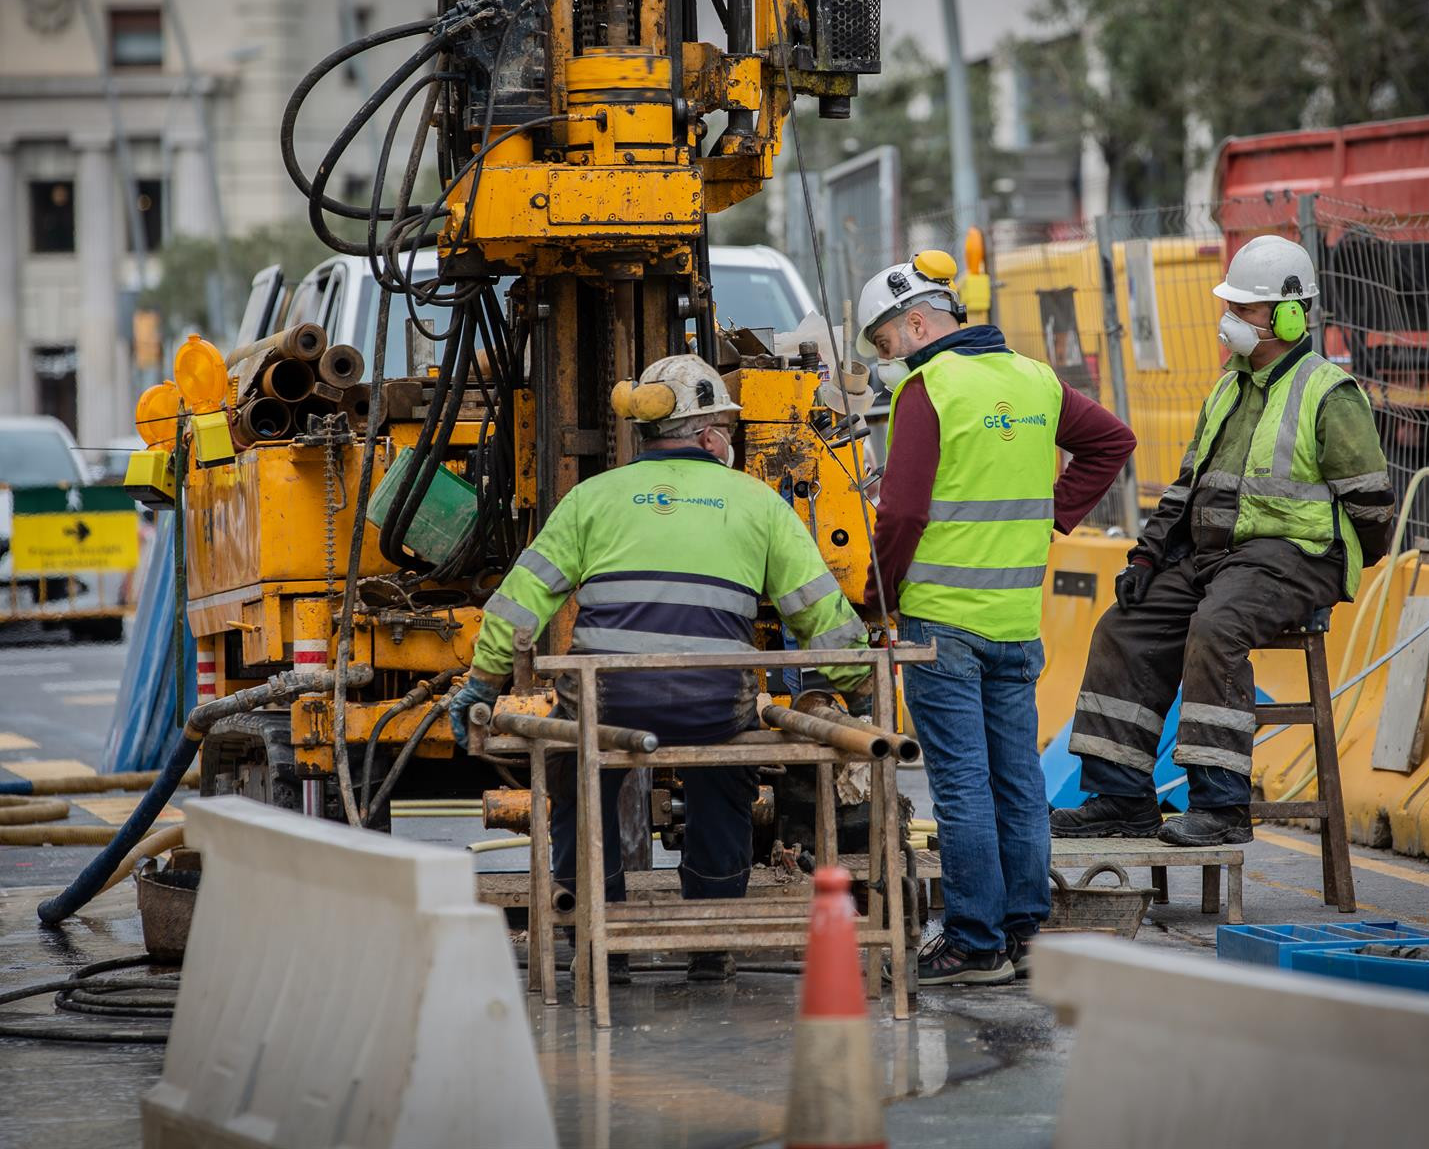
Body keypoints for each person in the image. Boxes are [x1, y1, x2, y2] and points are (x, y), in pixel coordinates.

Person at [448, 353, 874, 983]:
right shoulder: (757, 503)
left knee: (574, 774)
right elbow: (819, 616)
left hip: (606, 702)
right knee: (727, 778)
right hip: (714, 703)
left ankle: (599, 939)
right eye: (723, 429)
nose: (726, 439)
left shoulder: (590, 499)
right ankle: (712, 939)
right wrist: (860, 688)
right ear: (707, 435)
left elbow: (520, 602)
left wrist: (481, 681)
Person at [1053, 234, 1394, 848]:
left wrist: (1336, 564)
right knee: (1123, 628)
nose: (1230, 319)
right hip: (1219, 559)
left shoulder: (1328, 393)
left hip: (1297, 558)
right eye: (1230, 305)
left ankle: (1221, 805)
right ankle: (1122, 798)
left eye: (1245, 309)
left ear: (1290, 314)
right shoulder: (1228, 388)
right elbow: (1186, 487)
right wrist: (1148, 555)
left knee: (1216, 626)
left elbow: (1372, 506)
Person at [859, 251, 1136, 987]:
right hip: (1015, 622)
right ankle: (1024, 936)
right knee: (1016, 780)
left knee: (961, 785)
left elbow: (904, 512)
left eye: (885, 346)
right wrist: (1053, 516)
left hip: (939, 624)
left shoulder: (930, 388)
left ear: (915, 324)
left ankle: (975, 941)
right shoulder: (1034, 378)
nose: (887, 363)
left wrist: (874, 599)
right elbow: (1113, 442)